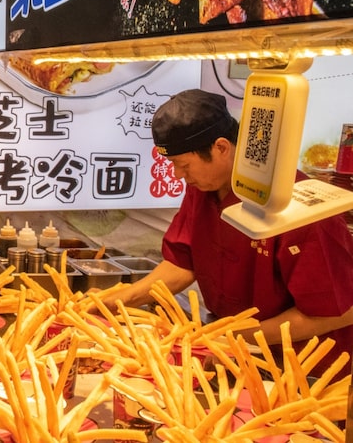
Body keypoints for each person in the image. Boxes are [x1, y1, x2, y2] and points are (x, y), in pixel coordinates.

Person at [98, 89, 353, 378]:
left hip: (306, 369)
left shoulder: (297, 205)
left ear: (221, 147)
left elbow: (338, 310)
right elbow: (183, 263)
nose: (178, 176)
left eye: (183, 165)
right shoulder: (203, 187)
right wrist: (116, 301)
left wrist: (232, 336)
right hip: (238, 354)